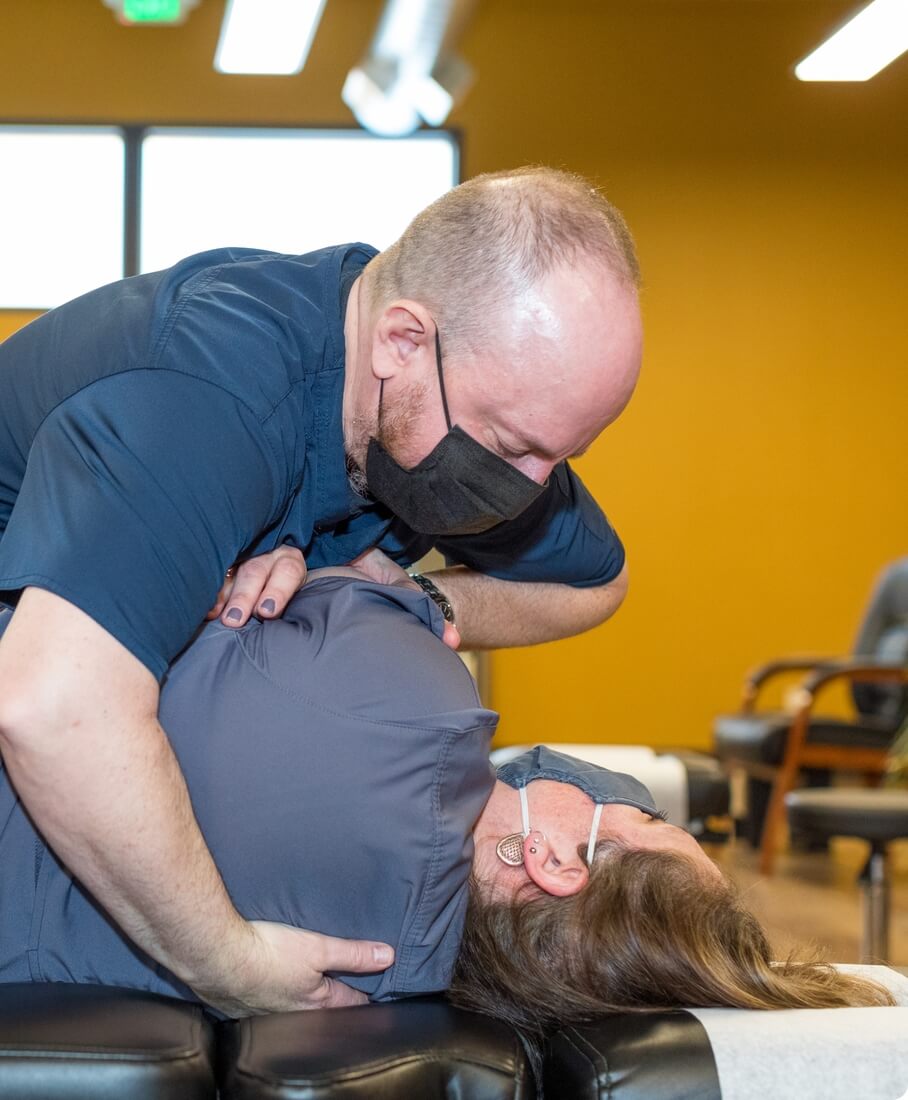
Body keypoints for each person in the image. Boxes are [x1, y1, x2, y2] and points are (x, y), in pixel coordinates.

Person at [0, 166, 643, 1014]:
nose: (531, 486)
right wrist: (227, 962)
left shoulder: (443, 395)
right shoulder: (207, 397)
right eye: (511, 446)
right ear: (402, 341)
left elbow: (598, 582)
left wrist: (418, 598)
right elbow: (52, 709)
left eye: (564, 457)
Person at [0, 570, 893, 1029]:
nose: (628, 798)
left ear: (551, 862)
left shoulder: (411, 701)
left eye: (649, 817)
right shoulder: (402, 976)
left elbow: (583, 575)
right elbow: (539, 776)